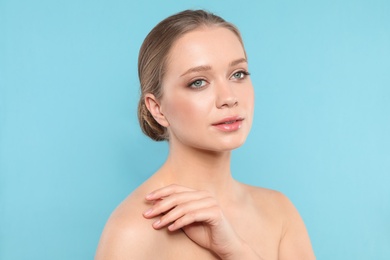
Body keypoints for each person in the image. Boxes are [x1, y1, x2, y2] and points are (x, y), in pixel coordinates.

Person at [95, 9, 315, 260]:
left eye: (238, 74)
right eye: (198, 82)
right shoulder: (132, 231)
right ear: (157, 109)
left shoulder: (280, 213)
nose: (229, 98)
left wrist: (237, 252)